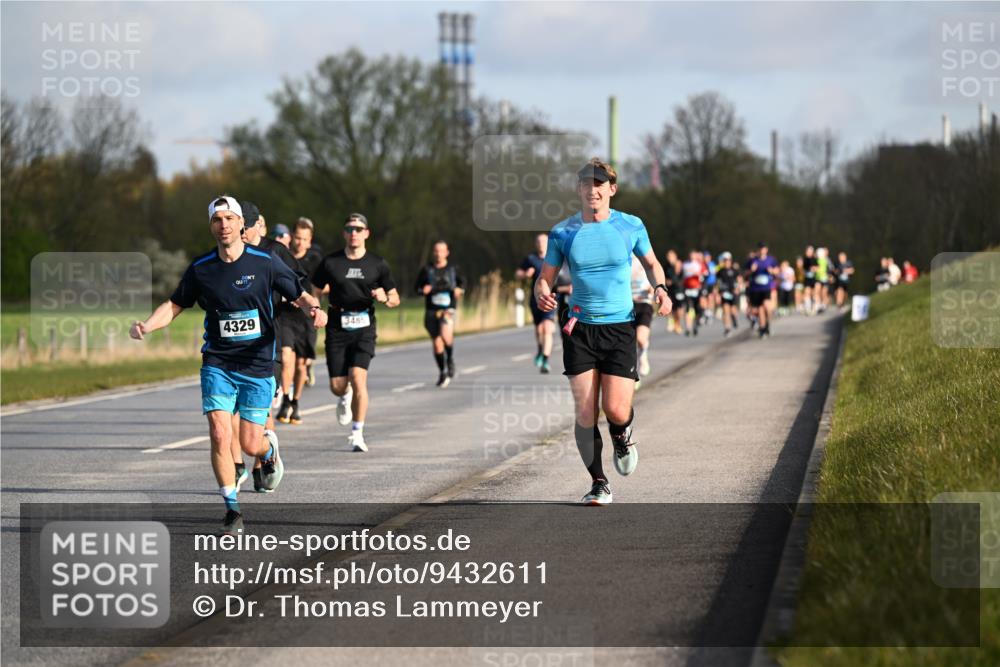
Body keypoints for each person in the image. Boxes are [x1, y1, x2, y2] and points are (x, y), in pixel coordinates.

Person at [130, 196, 326, 534]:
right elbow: (175, 304)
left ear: (241, 225)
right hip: (218, 363)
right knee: (220, 433)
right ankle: (232, 508)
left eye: (229, 219)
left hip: (257, 363)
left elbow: (298, 291)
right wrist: (148, 325)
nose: (224, 225)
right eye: (217, 220)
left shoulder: (264, 262)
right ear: (212, 227)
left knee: (250, 443)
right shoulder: (202, 268)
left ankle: (268, 450)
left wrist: (313, 308)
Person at [534, 158, 671, 506]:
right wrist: (541, 291)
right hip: (579, 328)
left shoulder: (630, 226)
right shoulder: (563, 232)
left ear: (611, 188)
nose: (592, 190)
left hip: (620, 328)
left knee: (615, 409)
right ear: (579, 190)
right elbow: (545, 277)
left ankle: (621, 435)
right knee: (584, 412)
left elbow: (653, 263)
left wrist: (661, 289)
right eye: (585, 184)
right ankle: (598, 482)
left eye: (599, 184)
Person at [311, 213, 400, 452]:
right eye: (350, 229)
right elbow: (315, 289)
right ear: (344, 233)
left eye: (358, 229)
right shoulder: (331, 262)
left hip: (364, 327)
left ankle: (357, 433)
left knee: (359, 378)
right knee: (338, 386)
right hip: (337, 326)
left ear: (366, 233)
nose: (354, 233)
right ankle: (344, 395)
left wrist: (385, 297)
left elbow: (395, 297)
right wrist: (317, 309)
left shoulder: (377, 263)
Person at [235, 201, 306, 493]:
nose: (239, 233)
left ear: (256, 226)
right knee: (230, 408)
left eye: (244, 228)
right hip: (233, 343)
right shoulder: (226, 254)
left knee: (258, 406)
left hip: (268, 336)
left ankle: (261, 465)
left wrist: (289, 294)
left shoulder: (274, 251)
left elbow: (298, 279)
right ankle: (237, 466)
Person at [276, 218, 324, 424]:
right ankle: (285, 399)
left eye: (304, 239)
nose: (299, 243)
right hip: (285, 315)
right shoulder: (281, 257)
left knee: (301, 365)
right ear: (291, 237)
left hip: (306, 318)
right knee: (287, 358)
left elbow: (322, 286)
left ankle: (295, 403)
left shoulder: (315, 260)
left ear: (310, 240)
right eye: (297, 237)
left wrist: (310, 301)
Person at [415, 241, 466, 388]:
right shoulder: (426, 270)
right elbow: (416, 287)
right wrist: (422, 290)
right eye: (436, 251)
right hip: (431, 310)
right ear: (433, 252)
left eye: (441, 251)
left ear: (447, 252)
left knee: (446, 337)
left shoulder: (454, 269)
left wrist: (459, 290)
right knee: (437, 345)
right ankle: (442, 371)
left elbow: (463, 284)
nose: (439, 254)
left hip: (448, 308)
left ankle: (449, 359)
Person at [516, 233, 557, 374]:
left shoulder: (554, 258)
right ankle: (540, 350)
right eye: (538, 242)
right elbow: (518, 273)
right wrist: (525, 274)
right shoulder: (531, 259)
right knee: (539, 329)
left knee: (547, 328)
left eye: (543, 241)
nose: (541, 244)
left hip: (551, 297)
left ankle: (545, 359)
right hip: (535, 299)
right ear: (535, 244)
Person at [747, 242, 779, 338]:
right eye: (760, 249)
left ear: (766, 250)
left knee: (766, 306)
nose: (762, 251)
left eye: (764, 248)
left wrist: (772, 271)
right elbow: (745, 273)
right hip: (755, 288)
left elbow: (777, 271)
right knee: (760, 308)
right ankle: (762, 328)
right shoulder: (753, 260)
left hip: (766, 288)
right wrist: (751, 271)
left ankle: (767, 323)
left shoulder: (771, 260)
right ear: (758, 250)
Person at [630, 255, 655, 379]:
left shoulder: (645, 257)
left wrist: (653, 287)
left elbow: (655, 272)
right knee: (629, 342)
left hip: (645, 303)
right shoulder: (622, 258)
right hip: (628, 305)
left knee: (640, 338)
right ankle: (633, 373)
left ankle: (643, 355)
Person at [714, 252, 741, 336]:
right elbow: (717, 283)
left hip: (733, 292)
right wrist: (717, 294)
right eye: (725, 260)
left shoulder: (734, 270)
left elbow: (739, 280)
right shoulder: (720, 271)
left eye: (728, 260)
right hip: (724, 293)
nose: (726, 262)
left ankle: (734, 318)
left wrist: (737, 288)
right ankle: (727, 328)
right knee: (726, 311)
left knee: (733, 310)